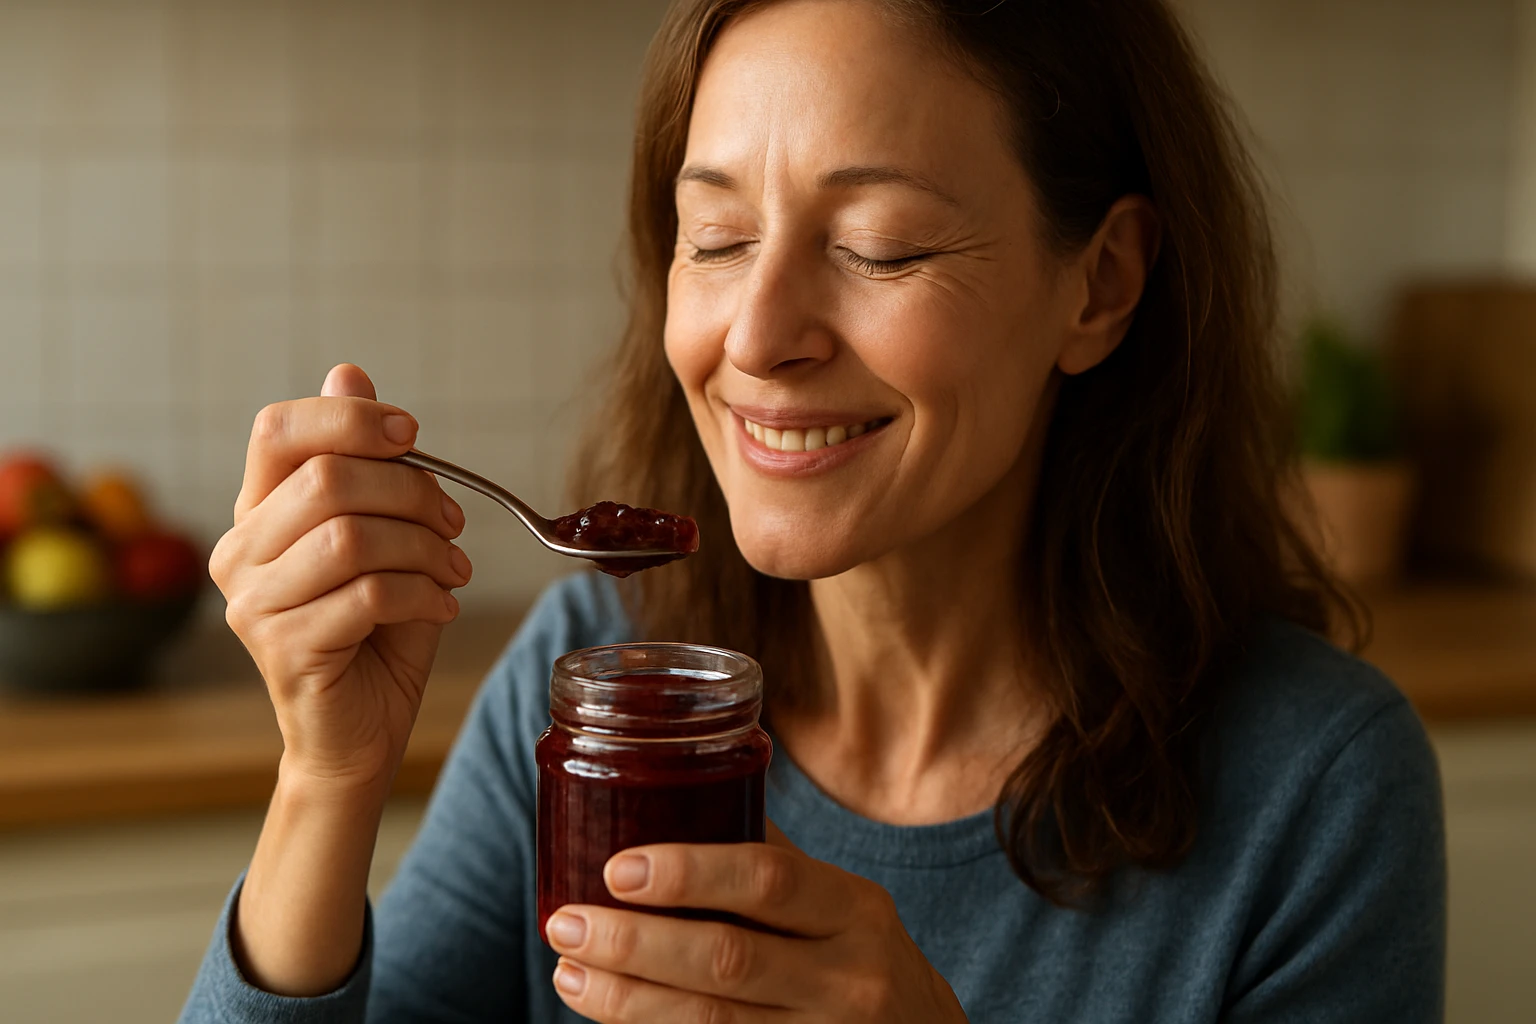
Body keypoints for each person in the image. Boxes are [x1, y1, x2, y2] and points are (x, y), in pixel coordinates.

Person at [179, 0, 1446, 1021]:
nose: (760, 335)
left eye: (881, 244)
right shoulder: (591, 685)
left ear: (1100, 285)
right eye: (716, 238)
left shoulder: (1314, 788)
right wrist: (328, 779)